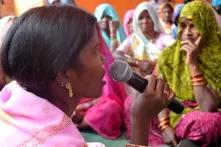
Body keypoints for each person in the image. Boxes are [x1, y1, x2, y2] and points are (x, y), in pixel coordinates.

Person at [0, 5, 171, 146]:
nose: (104, 58)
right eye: (96, 50)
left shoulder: (14, 92)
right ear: (63, 73)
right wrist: (140, 121)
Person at [157, 0, 221, 146]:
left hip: (211, 116)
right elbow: (159, 93)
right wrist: (164, 125)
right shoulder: (168, 55)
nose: (187, 33)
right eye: (183, 25)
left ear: (206, 27)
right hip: (179, 114)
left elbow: (207, 107)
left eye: (194, 26)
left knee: (209, 122)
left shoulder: (218, 55)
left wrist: (192, 64)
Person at [115, 2, 174, 76]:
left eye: (148, 17)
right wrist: (138, 63)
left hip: (162, 82)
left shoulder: (163, 38)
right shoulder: (133, 39)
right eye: (141, 18)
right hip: (140, 83)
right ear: (136, 21)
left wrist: (159, 61)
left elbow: (175, 47)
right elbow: (116, 55)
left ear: (154, 18)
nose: (145, 21)